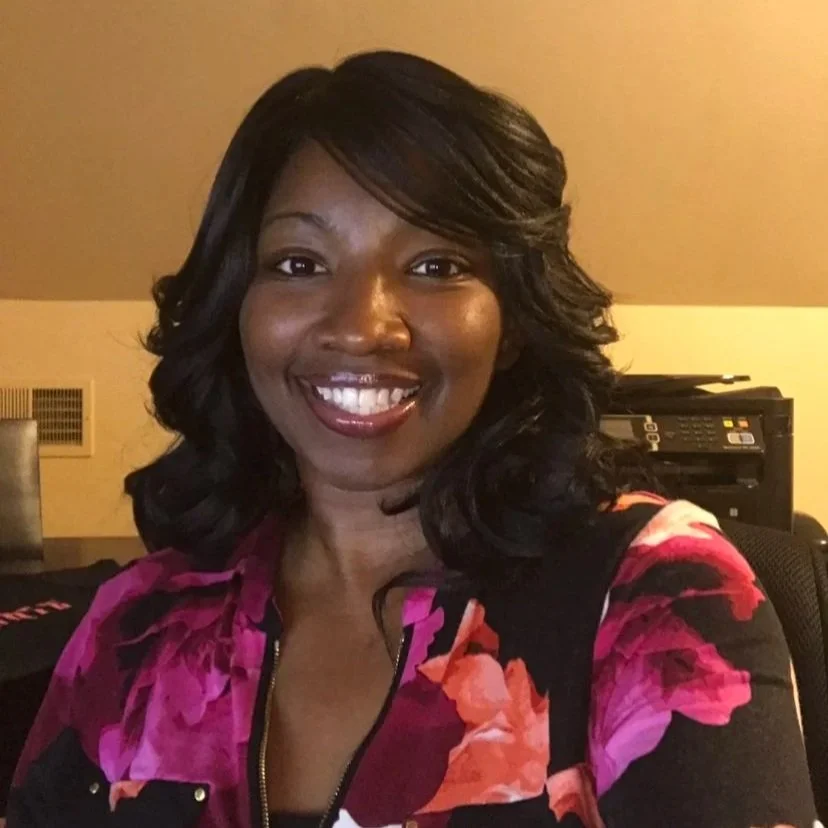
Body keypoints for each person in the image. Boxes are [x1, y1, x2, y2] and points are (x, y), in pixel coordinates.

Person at [6, 51, 818, 828]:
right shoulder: (136, 623)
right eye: (298, 264)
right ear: (236, 306)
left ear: (511, 320)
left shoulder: (657, 597)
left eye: (435, 265)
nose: (362, 327)